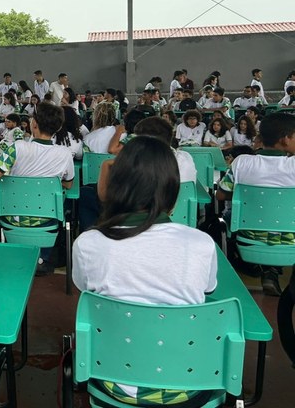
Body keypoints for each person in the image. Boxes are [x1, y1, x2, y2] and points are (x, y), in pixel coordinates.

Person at [73, 136, 217, 405]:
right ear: (172, 190)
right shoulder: (200, 243)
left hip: (113, 382)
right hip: (189, 383)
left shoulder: (88, 243)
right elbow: (208, 290)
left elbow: (86, 291)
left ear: (116, 187)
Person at [0, 102, 74, 274]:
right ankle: (42, 258)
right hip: (47, 221)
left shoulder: (17, 147)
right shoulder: (65, 153)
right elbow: (68, 183)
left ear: (34, 124)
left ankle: (17, 255)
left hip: (12, 220)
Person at [217, 113, 295, 296]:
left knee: (230, 216)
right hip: (292, 239)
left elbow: (221, 194)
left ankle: (267, 270)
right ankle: (273, 272)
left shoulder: (241, 162)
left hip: (249, 237)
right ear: (285, 139)